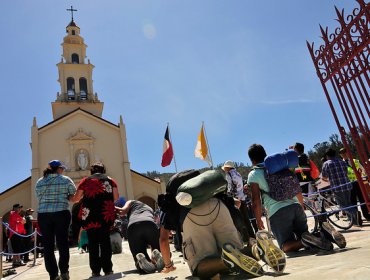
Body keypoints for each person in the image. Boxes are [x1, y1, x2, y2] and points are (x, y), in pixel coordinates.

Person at [247, 144, 339, 255]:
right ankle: (324, 234)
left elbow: (256, 200)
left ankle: (305, 242)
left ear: (252, 160)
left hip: (277, 212)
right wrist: (301, 206)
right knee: (305, 235)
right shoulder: (282, 168)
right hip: (296, 207)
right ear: (265, 154)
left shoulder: (254, 174)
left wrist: (258, 220)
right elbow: (297, 188)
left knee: (285, 246)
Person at [72, 162, 119, 278]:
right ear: (103, 170)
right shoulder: (110, 180)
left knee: (92, 243)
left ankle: (95, 271)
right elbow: (116, 197)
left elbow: (76, 198)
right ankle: (108, 269)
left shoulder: (86, 180)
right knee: (105, 242)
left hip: (90, 216)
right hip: (105, 215)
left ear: (92, 171)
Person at [35, 160, 76, 280]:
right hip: (61, 213)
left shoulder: (39, 181)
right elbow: (73, 197)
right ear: (58, 169)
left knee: (48, 245)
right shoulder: (65, 180)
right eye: (62, 168)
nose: (63, 170)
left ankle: (53, 275)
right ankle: (64, 272)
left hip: (43, 215)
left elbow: (38, 197)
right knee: (62, 243)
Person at [116, 200, 164, 273]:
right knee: (157, 248)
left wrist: (110, 208)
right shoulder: (149, 208)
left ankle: (143, 264)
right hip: (150, 224)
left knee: (139, 255)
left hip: (133, 227)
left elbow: (122, 211)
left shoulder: (131, 202)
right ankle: (157, 256)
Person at [322, 148, 359, 226]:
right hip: (347, 185)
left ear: (327, 156)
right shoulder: (341, 161)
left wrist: (328, 180)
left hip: (337, 187)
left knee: (342, 205)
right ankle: (353, 221)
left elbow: (324, 177)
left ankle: (355, 214)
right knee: (348, 202)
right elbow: (346, 171)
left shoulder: (326, 164)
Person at [222, 160, 255, 241]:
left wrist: (228, 195)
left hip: (235, 199)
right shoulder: (238, 174)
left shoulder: (229, 174)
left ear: (227, 167)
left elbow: (230, 187)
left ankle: (245, 238)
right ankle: (252, 236)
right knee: (246, 219)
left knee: (238, 219)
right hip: (242, 198)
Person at [339, 148, 370, 223]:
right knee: (352, 202)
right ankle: (357, 218)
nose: (344, 154)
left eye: (345, 152)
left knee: (362, 199)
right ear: (340, 155)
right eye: (342, 153)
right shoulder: (341, 163)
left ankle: (366, 215)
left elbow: (363, 171)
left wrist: (365, 181)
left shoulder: (355, 161)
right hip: (349, 184)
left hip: (358, 183)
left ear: (348, 153)